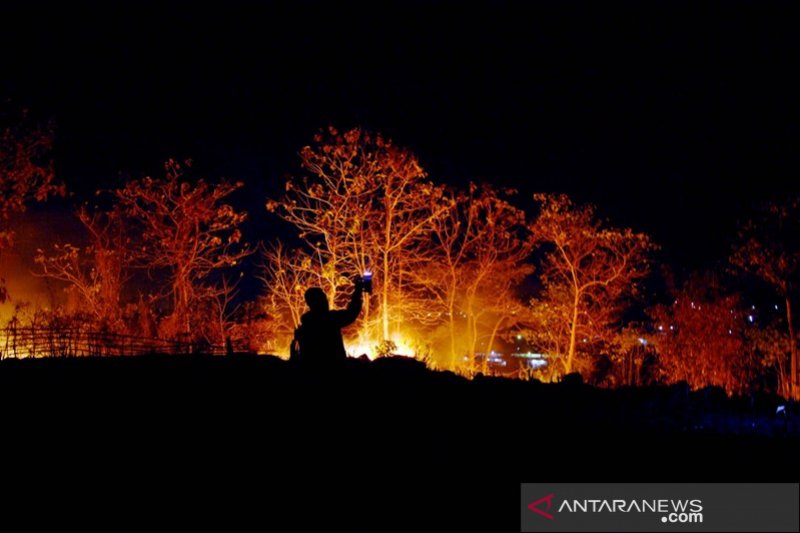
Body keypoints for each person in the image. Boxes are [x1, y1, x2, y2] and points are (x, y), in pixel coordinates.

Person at [290, 278, 363, 364]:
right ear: (318, 301)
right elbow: (351, 313)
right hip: (333, 368)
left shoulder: (305, 325)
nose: (326, 301)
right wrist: (358, 293)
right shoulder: (330, 319)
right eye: (324, 298)